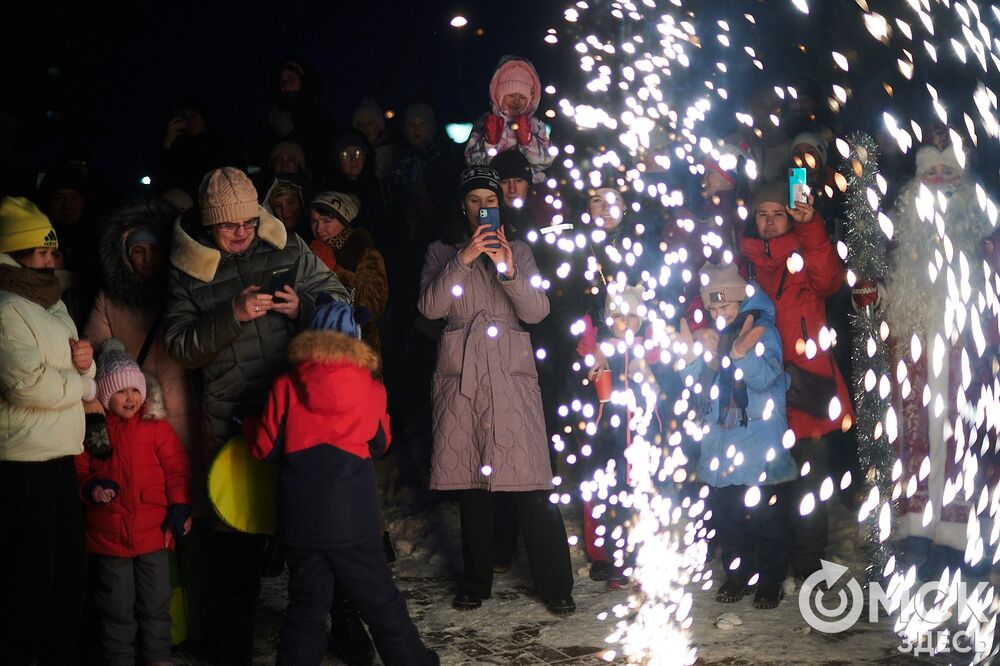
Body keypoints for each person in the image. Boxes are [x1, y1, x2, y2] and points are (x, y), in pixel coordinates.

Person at [163, 167, 349, 663]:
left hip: (297, 414)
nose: (242, 232)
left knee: (313, 534)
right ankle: (233, 648)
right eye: (229, 226)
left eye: (249, 220)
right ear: (208, 226)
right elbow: (179, 345)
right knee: (238, 549)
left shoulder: (286, 246)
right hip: (231, 421)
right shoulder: (189, 269)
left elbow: (341, 299)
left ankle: (347, 633)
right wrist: (231, 315)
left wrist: (303, 306)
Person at [417, 166, 575, 615]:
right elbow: (430, 307)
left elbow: (538, 311)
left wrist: (506, 266)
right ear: (461, 207)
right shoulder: (441, 251)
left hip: (509, 370)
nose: (483, 207)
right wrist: (463, 259)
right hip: (461, 371)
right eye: (473, 200)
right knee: (472, 483)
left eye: (490, 199)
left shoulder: (520, 250)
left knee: (531, 482)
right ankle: (475, 580)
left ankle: (556, 584)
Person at [248, 298, 438, 666]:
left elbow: (265, 449)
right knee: (380, 600)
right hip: (353, 516)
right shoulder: (372, 388)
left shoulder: (286, 385)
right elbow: (380, 444)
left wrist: (251, 427)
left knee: (306, 605)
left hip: (301, 519)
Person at [884, 143, 994, 579]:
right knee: (913, 439)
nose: (941, 181)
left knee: (960, 442)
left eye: (950, 174)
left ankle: (955, 538)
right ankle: (916, 531)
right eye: (932, 174)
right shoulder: (904, 253)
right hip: (915, 352)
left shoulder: (981, 249)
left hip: (963, 356)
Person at [738, 182, 853, 583]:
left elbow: (829, 282)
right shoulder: (744, 264)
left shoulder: (807, 253)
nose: (769, 223)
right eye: (762, 215)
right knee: (764, 474)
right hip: (759, 385)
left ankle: (807, 558)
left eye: (777, 214)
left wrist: (812, 226)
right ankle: (768, 554)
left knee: (809, 475)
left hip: (807, 384)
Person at [0, 196, 95, 664]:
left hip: (59, 453)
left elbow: (85, 372)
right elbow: (26, 386)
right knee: (29, 580)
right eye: (38, 252)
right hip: (21, 462)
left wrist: (86, 367)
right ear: (12, 254)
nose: (48, 260)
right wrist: (80, 380)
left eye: (51, 251)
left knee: (67, 574)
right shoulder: (5, 307)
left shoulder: (53, 301)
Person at [677, 263, 797, 608]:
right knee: (728, 521)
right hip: (719, 447)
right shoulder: (712, 335)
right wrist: (691, 360)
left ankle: (770, 580)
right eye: (712, 308)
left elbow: (764, 380)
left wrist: (741, 355)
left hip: (757, 447)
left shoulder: (761, 330)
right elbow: (700, 389)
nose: (718, 314)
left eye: (724, 306)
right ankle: (737, 576)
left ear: (740, 300)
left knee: (765, 521)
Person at [75, 339, 192, 665]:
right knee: (116, 606)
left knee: (155, 602)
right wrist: (92, 487)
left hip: (152, 533)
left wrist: (180, 506)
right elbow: (79, 469)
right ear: (104, 393)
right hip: (109, 536)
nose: (129, 398)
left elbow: (176, 470)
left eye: (134, 390)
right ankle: (119, 658)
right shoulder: (94, 431)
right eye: (120, 391)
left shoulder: (155, 427)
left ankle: (158, 656)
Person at [308, 192, 387, 353]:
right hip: (320, 347)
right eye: (314, 221)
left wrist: (334, 269)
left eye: (327, 221)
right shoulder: (309, 250)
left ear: (343, 221)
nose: (319, 228)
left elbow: (373, 306)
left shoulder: (365, 254)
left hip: (358, 348)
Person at [465, 56, 554, 183]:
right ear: (499, 95)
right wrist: (490, 143)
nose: (516, 101)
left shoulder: (535, 125)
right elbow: (471, 162)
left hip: (527, 187)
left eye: (522, 97)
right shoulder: (486, 122)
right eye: (511, 95)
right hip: (494, 185)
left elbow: (546, 161)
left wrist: (528, 142)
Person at [158, 100, 243, 202]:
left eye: (194, 116)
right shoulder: (180, 147)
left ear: (203, 118)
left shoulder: (220, 142)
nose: (190, 121)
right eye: (186, 118)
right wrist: (168, 141)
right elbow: (165, 176)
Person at [327, 129, 390, 253]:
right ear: (337, 162)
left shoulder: (380, 187)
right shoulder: (330, 193)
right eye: (345, 155)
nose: (353, 159)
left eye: (357, 153)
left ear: (365, 156)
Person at [262, 173, 312, 241]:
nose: (284, 210)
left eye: (290, 202)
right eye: (278, 205)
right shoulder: (266, 241)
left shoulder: (317, 235)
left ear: (301, 202)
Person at [353, 98, 394, 181]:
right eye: (361, 125)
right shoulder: (353, 154)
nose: (366, 129)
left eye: (370, 124)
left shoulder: (391, 154)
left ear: (379, 126)